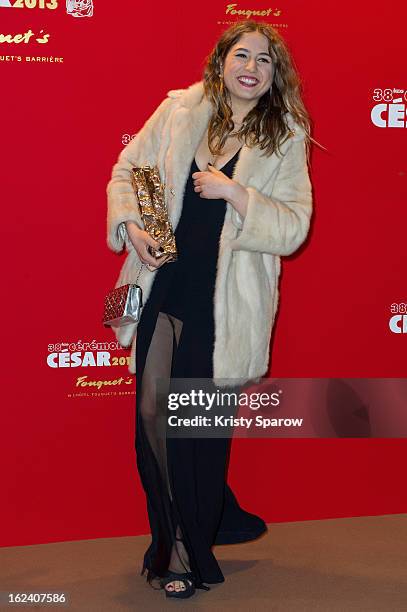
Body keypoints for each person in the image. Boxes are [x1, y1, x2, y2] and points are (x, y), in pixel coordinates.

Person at [106, 20, 313, 599]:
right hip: (163, 286)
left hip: (221, 306)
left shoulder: (285, 134)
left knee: (194, 433)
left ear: (276, 76)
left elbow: (293, 226)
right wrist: (135, 225)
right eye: (240, 54)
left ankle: (188, 552)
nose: (251, 66)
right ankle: (169, 538)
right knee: (152, 420)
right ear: (220, 61)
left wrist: (236, 193)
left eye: (265, 60)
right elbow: (133, 171)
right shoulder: (181, 111)